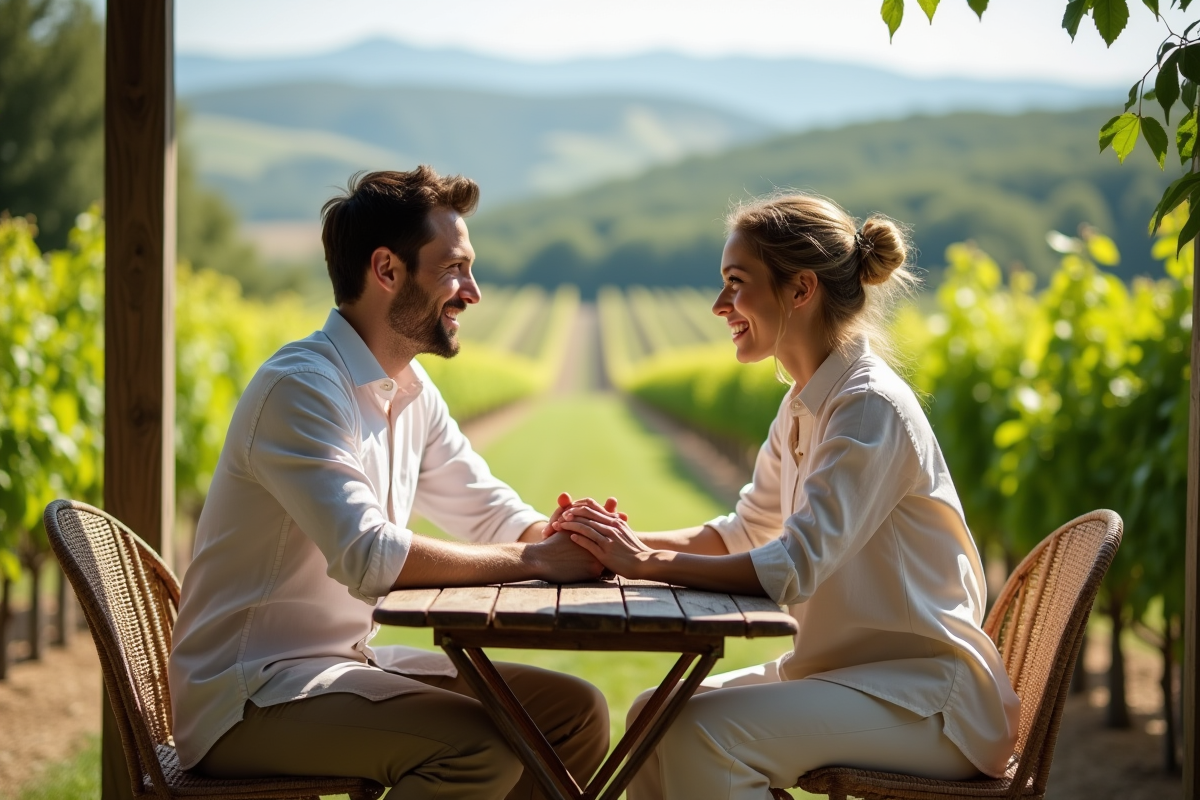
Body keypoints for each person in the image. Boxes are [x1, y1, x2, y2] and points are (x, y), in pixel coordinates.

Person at [553, 193, 1021, 800]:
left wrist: (645, 563)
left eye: (736, 283)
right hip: (846, 678)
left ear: (800, 291)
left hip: (926, 700)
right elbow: (747, 530)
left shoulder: (867, 406)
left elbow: (792, 566)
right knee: (652, 716)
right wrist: (612, 543)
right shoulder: (804, 403)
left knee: (702, 734)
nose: (720, 305)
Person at [168, 166, 610, 800]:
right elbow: (370, 556)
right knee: (476, 749)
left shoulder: (411, 390)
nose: (472, 291)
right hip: (249, 694)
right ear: (386, 270)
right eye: (454, 268)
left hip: (346, 665)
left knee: (574, 715)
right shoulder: (301, 388)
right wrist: (538, 558)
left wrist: (567, 534)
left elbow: (484, 508)